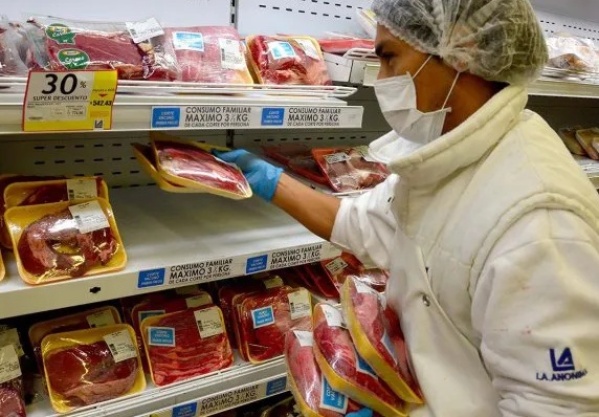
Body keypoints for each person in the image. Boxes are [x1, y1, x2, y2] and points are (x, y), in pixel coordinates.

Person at [219, 0, 599, 415]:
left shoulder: (540, 221)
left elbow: (558, 407)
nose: (382, 79)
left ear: (462, 54)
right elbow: (360, 224)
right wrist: (269, 180)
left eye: (389, 57)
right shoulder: (452, 155)